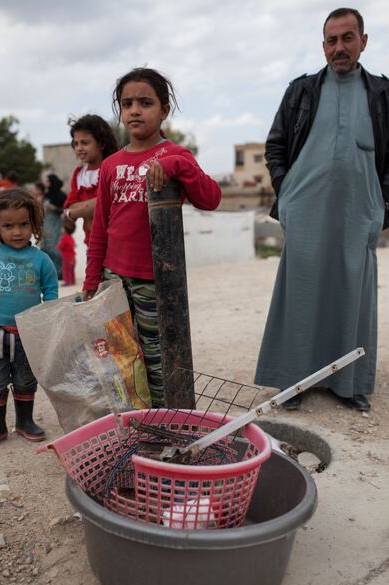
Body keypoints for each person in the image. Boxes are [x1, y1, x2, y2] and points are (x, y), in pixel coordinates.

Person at [254, 8, 389, 413]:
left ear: (363, 41)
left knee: (353, 291)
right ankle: (293, 381)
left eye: (348, 38)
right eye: (331, 40)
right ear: (323, 45)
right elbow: (275, 146)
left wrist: (382, 207)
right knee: (301, 292)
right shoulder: (301, 91)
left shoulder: (382, 93)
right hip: (306, 209)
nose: (339, 48)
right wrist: (287, 194)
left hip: (359, 210)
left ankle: (348, 384)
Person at [83, 67, 222, 407]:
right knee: (123, 357)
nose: (134, 110)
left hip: (155, 281)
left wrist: (177, 166)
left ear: (164, 110)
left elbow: (211, 198)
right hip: (115, 279)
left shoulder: (175, 156)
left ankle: (167, 421)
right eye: (127, 103)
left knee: (160, 357)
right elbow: (101, 225)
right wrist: (92, 278)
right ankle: (136, 420)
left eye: (145, 102)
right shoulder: (111, 165)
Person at [0, 189, 58, 450]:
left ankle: (25, 421)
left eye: (23, 224)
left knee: (25, 379)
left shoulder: (41, 260)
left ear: (33, 224)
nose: (17, 231)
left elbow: (51, 292)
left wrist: (51, 320)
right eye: (8, 226)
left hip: (28, 333)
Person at [63, 114, 118, 245]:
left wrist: (73, 213)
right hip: (91, 243)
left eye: (85, 143)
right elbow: (70, 207)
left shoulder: (113, 169)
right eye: (76, 144)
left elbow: (107, 202)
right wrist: (85, 208)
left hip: (115, 243)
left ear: (102, 143)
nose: (79, 148)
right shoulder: (79, 175)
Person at [40, 174, 66, 278]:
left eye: (47, 181)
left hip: (56, 224)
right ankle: (51, 272)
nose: (45, 183)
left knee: (55, 247)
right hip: (46, 224)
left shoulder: (61, 195)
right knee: (46, 247)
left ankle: (60, 271)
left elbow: (65, 210)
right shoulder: (46, 195)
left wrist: (54, 208)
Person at [57, 220, 76, 286]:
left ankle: (67, 282)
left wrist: (57, 246)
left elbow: (60, 246)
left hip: (66, 257)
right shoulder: (71, 237)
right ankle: (72, 281)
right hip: (73, 257)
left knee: (66, 270)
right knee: (71, 270)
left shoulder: (64, 237)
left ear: (65, 229)